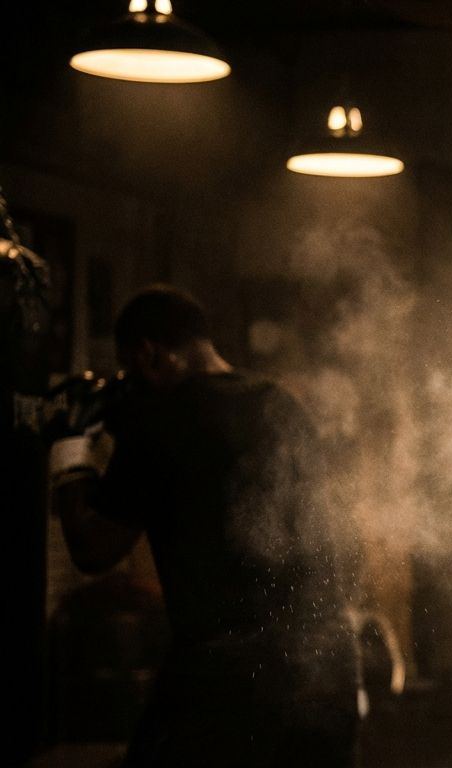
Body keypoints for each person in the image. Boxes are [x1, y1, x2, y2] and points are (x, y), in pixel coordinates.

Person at [48, 285, 361, 767]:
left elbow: (92, 550)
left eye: (133, 371)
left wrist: (70, 449)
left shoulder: (162, 421)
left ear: (150, 354)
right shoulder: (283, 404)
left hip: (230, 674)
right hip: (325, 662)